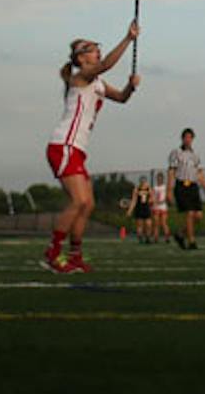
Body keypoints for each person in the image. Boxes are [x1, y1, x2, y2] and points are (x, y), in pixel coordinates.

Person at [43, 24, 140, 274]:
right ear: (80, 57)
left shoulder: (97, 82)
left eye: (97, 47)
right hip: (64, 145)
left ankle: (75, 256)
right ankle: (52, 254)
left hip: (76, 149)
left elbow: (121, 98)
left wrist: (131, 86)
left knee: (88, 205)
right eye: (92, 48)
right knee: (78, 201)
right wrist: (128, 39)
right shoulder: (80, 77)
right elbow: (107, 64)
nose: (97, 50)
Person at [167, 129, 205, 249]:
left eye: (190, 137)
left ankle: (180, 234)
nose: (188, 139)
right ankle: (191, 241)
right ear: (182, 138)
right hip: (182, 186)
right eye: (186, 137)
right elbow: (171, 171)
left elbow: (199, 172)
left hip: (193, 186)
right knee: (190, 213)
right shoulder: (176, 153)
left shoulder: (195, 155)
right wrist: (169, 190)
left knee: (198, 216)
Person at [130, 179, 154, 243]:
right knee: (140, 225)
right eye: (142, 182)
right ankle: (140, 238)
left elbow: (152, 198)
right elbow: (134, 200)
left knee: (148, 224)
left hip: (146, 208)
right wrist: (130, 210)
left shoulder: (149, 189)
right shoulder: (136, 189)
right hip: (139, 208)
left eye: (144, 182)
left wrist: (151, 200)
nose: (143, 183)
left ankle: (148, 238)